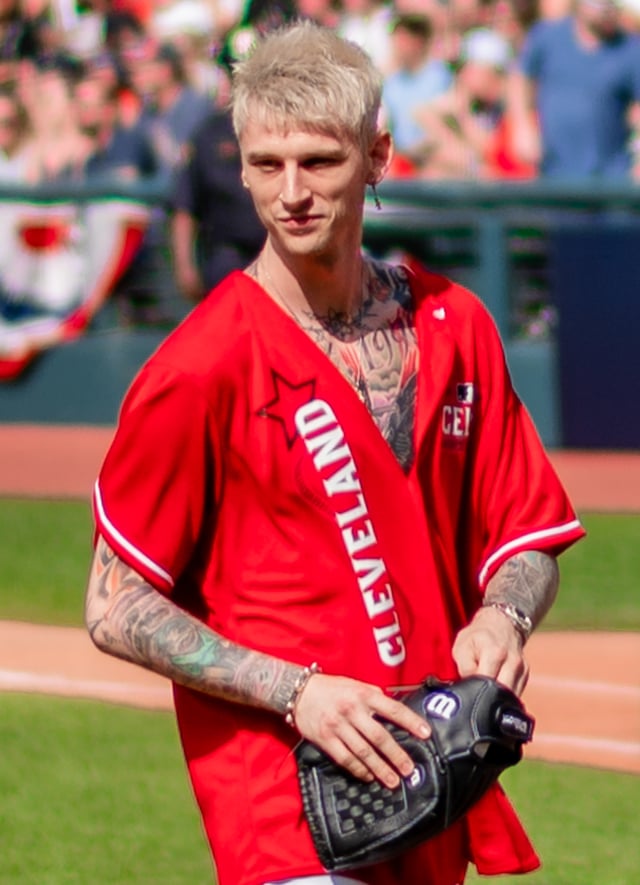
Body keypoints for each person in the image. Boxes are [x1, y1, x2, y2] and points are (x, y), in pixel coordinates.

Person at [85, 21, 585, 885]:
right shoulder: (201, 366)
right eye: (266, 164)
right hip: (283, 788)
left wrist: (503, 616)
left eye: (319, 162)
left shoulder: (454, 326)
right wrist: (296, 690)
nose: (291, 194)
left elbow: (526, 536)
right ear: (238, 166)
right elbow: (113, 602)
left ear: (378, 154)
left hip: (427, 759)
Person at [509, 0, 640, 178]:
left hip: (610, 178)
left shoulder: (630, 49)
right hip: (554, 173)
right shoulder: (547, 37)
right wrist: (522, 125)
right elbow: (520, 77)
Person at [170, 101, 264, 300]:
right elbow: (185, 208)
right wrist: (185, 267)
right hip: (229, 257)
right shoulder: (211, 133)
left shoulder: (288, 127)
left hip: (283, 255)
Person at [381, 13, 452, 175]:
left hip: (433, 158)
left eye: (403, 39)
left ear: (418, 42)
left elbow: (444, 128)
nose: (397, 45)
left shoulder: (441, 78)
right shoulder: (392, 83)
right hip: (401, 160)